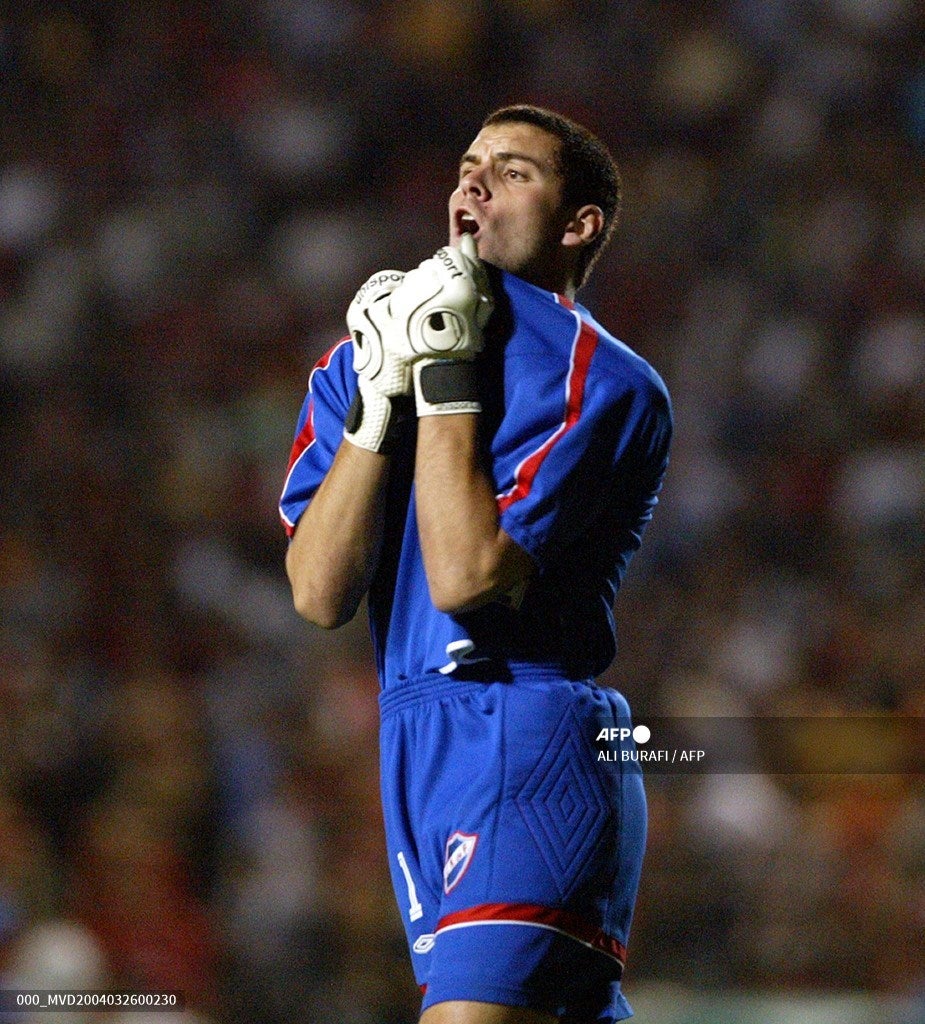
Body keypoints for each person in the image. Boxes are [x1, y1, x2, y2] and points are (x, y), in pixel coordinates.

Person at [280, 105, 672, 1024]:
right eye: (466, 164)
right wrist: (380, 400)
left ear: (578, 227)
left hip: (527, 730)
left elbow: (463, 577)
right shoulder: (365, 351)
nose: (474, 182)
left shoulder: (600, 379)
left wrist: (447, 376)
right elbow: (317, 590)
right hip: (415, 736)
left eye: (513, 171)